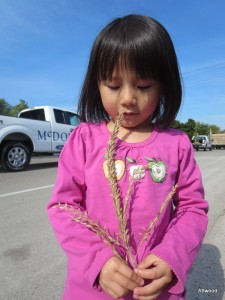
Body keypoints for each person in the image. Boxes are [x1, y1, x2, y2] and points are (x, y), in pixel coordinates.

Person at [47, 14, 208, 300]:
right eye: (113, 85)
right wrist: (98, 259)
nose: (127, 99)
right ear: (97, 84)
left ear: (164, 85)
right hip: (93, 288)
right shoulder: (84, 139)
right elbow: (63, 206)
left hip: (157, 289)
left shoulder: (177, 144)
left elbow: (192, 208)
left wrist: (172, 257)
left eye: (144, 86)